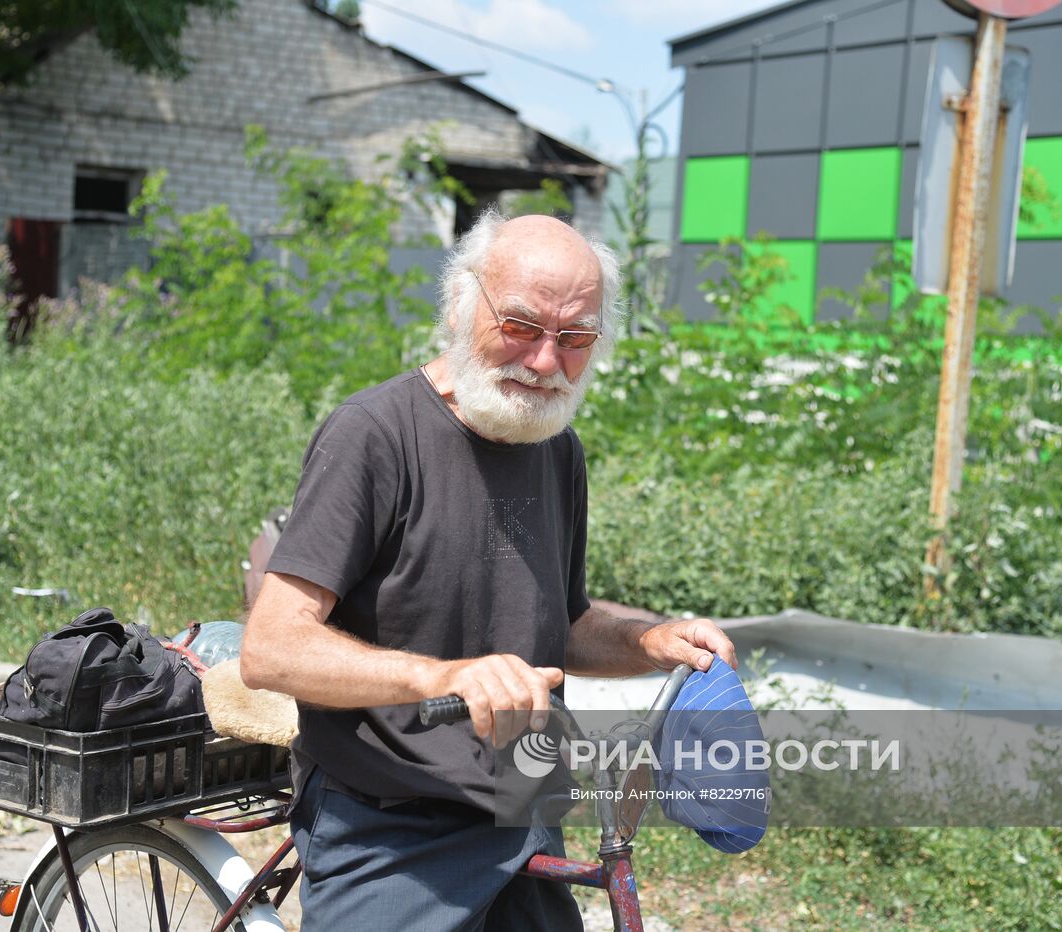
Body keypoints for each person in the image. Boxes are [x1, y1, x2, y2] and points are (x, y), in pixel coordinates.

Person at [239, 209, 737, 930]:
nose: (544, 362)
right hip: (392, 820)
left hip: (523, 796)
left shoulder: (556, 448)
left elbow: (556, 627)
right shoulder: (375, 436)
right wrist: (439, 677)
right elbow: (272, 647)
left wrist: (649, 641)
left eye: (574, 340)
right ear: (460, 305)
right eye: (521, 327)